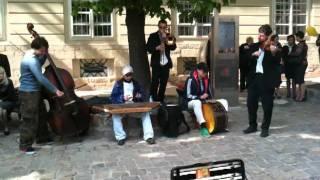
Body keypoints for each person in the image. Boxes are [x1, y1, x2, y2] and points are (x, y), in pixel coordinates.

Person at [19, 37, 64, 155]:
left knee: (41, 113)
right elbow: (40, 78)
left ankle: (42, 137)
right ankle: (24, 145)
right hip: (28, 92)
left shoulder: (35, 55)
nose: (44, 53)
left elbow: (41, 60)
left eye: (45, 50)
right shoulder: (31, 60)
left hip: (35, 90)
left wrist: (45, 55)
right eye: (43, 50)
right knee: (29, 118)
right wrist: (55, 90)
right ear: (37, 48)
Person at [243, 24, 281, 138]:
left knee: (267, 105)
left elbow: (277, 61)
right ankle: (252, 125)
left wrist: (274, 52)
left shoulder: (274, 47)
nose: (259, 37)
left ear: (268, 36)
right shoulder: (255, 46)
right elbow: (245, 58)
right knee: (251, 103)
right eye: (259, 34)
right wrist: (253, 55)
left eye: (262, 35)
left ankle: (265, 128)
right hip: (254, 79)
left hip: (266, 80)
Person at [110, 65, 155, 146]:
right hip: (122, 107)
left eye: (130, 74)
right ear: (123, 75)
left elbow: (142, 95)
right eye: (126, 75)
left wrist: (138, 96)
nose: (128, 77)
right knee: (115, 115)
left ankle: (149, 136)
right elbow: (113, 97)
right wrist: (122, 98)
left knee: (146, 113)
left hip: (134, 106)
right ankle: (120, 137)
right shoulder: (118, 84)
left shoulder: (136, 83)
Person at [183, 62, 228, 137]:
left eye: (206, 72)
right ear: (198, 70)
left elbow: (209, 92)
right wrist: (199, 97)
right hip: (191, 102)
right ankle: (203, 126)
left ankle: (222, 124)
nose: (205, 74)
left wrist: (211, 99)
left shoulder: (206, 79)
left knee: (224, 101)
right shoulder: (190, 79)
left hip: (204, 101)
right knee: (197, 102)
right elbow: (188, 95)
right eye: (204, 72)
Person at [147, 19, 177, 102]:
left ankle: (160, 99)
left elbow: (173, 47)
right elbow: (148, 48)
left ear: (166, 27)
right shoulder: (153, 36)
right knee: (155, 82)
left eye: (164, 27)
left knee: (163, 83)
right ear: (158, 27)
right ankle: (154, 98)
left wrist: (166, 39)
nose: (162, 29)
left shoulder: (169, 36)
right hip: (156, 63)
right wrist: (157, 48)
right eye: (161, 27)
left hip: (166, 63)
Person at [289, 31, 308, 102]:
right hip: (302, 63)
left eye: (296, 37)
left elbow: (297, 53)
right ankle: (300, 95)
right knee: (300, 80)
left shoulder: (301, 44)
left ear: (299, 37)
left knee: (301, 80)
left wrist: (290, 53)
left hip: (301, 64)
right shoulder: (302, 44)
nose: (295, 38)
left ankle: (302, 96)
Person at [0, 66, 16, 135]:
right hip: (1, 104)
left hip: (9, 101)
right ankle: (6, 128)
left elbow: (11, 96)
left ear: (4, 74)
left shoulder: (9, 82)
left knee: (1, 108)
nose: (0, 75)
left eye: (1, 73)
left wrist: (1, 100)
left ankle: (5, 127)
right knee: (3, 111)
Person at [270, 34, 283, 99]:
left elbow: (281, 51)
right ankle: (272, 93)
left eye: (278, 38)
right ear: (273, 39)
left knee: (278, 78)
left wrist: (277, 49)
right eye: (276, 38)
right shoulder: (270, 45)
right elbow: (271, 53)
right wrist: (275, 50)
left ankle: (277, 92)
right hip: (271, 64)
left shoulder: (279, 44)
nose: (277, 39)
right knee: (272, 78)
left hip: (278, 63)